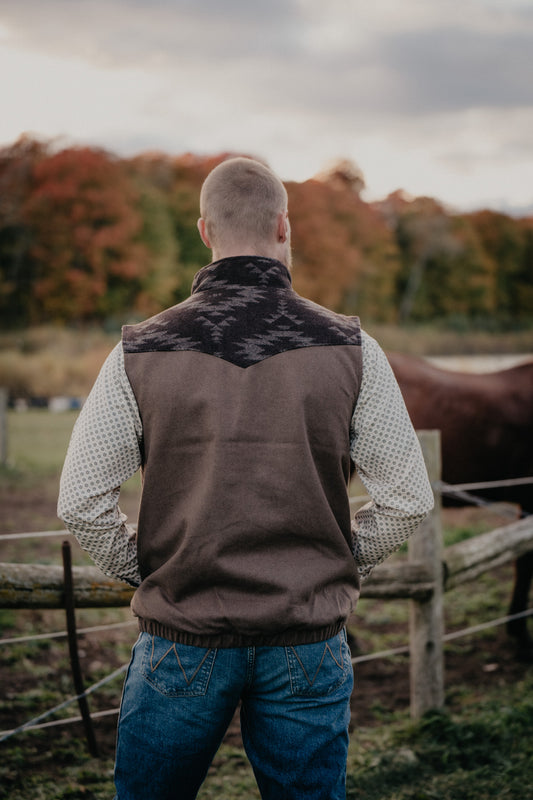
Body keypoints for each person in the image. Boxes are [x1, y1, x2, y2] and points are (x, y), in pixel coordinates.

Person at [58, 156, 434, 800]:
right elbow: (407, 500)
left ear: (204, 230)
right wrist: (340, 559)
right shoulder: (353, 347)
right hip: (307, 636)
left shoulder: (140, 349)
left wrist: (151, 568)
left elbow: (81, 502)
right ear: (284, 227)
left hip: (183, 634)